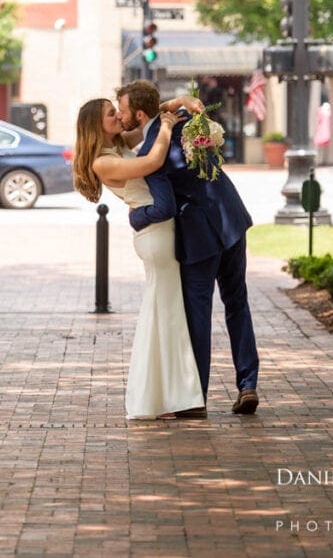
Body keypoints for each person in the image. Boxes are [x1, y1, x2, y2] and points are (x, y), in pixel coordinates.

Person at [120, 80, 259, 418]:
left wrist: (137, 217)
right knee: (236, 302)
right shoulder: (187, 120)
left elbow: (164, 206)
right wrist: (177, 102)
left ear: (139, 113)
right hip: (231, 217)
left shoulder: (152, 151)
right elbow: (167, 111)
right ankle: (248, 384)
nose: (120, 116)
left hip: (199, 235)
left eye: (122, 110)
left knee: (198, 313)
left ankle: (196, 397)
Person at [73, 96, 205, 420]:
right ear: (95, 125)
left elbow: (150, 120)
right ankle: (169, 397)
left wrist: (179, 103)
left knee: (165, 312)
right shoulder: (103, 161)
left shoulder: (119, 144)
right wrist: (169, 128)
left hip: (160, 228)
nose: (118, 116)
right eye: (110, 114)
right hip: (155, 235)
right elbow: (152, 162)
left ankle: (170, 395)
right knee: (165, 313)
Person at [314, 102, 332, 166]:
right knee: (320, 148)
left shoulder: (326, 113)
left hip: (324, 132)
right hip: (323, 132)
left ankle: (321, 161)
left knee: (322, 149)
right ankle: (319, 161)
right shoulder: (323, 112)